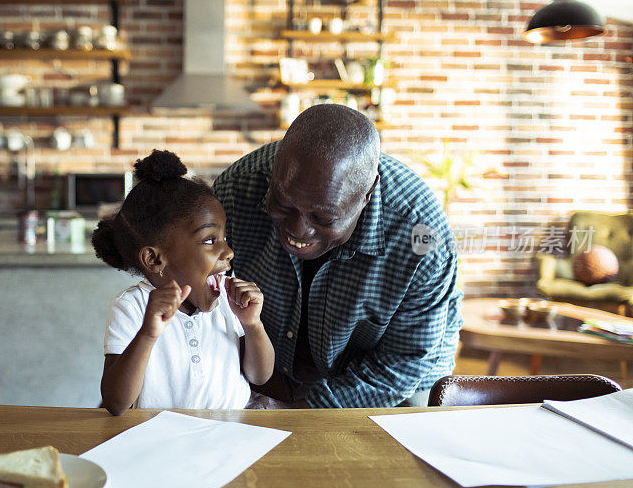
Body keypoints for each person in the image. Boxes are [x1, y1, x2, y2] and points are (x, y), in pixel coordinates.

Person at [213, 104, 463, 408]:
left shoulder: (422, 236)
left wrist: (304, 415)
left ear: (367, 194)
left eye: (323, 218)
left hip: (394, 374)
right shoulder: (236, 189)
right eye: (282, 203)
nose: (297, 230)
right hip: (271, 361)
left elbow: (401, 365)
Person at [92, 150, 275, 415]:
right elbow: (116, 403)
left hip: (231, 435)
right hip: (160, 441)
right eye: (210, 240)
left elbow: (260, 376)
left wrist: (253, 324)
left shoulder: (228, 300)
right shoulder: (133, 307)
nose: (229, 252)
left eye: (225, 238)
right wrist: (148, 333)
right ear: (154, 259)